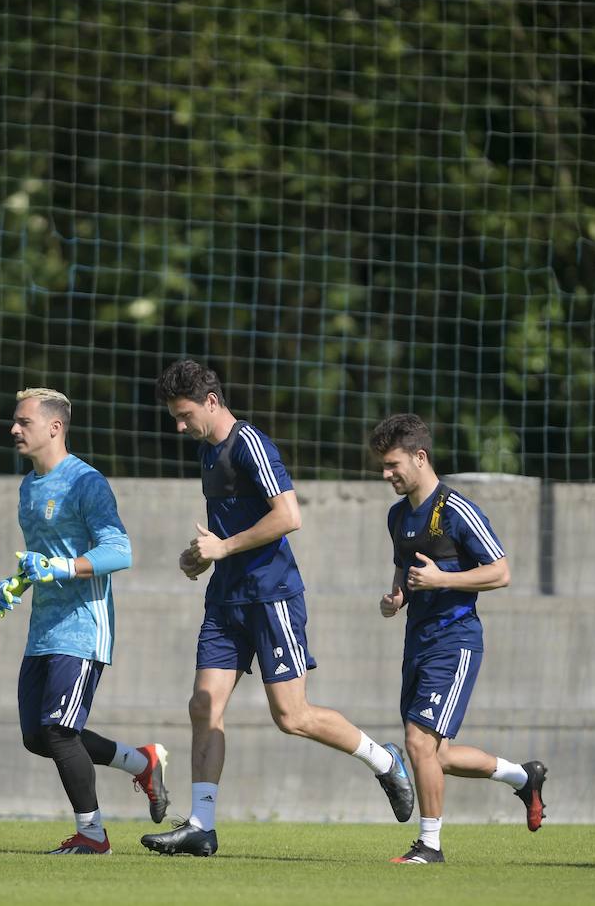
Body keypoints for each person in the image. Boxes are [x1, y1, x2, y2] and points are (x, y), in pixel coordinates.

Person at [141, 360, 413, 858]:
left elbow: (288, 515)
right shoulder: (208, 453)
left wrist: (223, 549)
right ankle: (202, 825)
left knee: (291, 716)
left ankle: (384, 759)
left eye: (184, 415)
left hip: (271, 596)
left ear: (212, 402)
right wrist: (202, 556)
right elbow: (228, 533)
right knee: (203, 705)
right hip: (226, 599)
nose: (180, 427)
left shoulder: (250, 443)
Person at [369, 413, 547, 865]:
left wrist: (442, 582)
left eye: (393, 465)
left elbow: (501, 571)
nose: (386, 474)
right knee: (438, 755)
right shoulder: (397, 516)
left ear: (420, 456)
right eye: (383, 467)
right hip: (418, 641)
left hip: (456, 640)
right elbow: (406, 571)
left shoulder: (456, 509)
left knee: (417, 743)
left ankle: (429, 846)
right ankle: (523, 778)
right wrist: (397, 598)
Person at [1, 387, 168, 855]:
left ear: (54, 427)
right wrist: (18, 581)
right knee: (39, 737)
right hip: (43, 629)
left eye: (23, 422)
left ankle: (93, 835)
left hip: (82, 626)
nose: (13, 429)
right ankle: (142, 763)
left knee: (58, 730)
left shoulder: (86, 482)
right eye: (14, 421)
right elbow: (43, 558)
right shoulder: (28, 486)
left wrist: (62, 567)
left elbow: (120, 551)